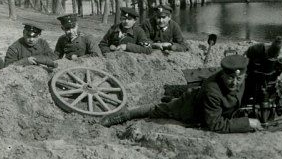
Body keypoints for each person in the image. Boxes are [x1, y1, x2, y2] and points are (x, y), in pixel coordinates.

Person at [99, 54, 263, 133]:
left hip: (205, 103)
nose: (234, 82)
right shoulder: (212, 90)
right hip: (189, 109)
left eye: (238, 78)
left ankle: (171, 97)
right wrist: (247, 123)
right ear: (223, 74)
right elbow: (216, 125)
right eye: (230, 78)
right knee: (158, 109)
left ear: (244, 75)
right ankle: (124, 115)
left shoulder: (243, 79)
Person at [243, 36, 282, 120]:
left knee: (271, 86)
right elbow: (247, 56)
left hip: (266, 79)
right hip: (254, 73)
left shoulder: (273, 57)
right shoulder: (258, 49)